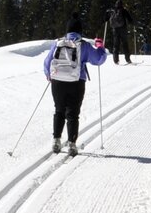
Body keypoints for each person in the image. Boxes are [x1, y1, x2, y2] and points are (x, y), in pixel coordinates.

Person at [43, 15, 107, 156]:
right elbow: (98, 59)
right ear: (80, 30)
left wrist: (49, 75)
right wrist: (100, 46)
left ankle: (56, 140)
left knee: (59, 110)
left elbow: (47, 62)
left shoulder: (58, 43)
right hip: (76, 82)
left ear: (67, 30)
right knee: (73, 113)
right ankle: (72, 144)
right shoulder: (83, 45)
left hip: (57, 82)